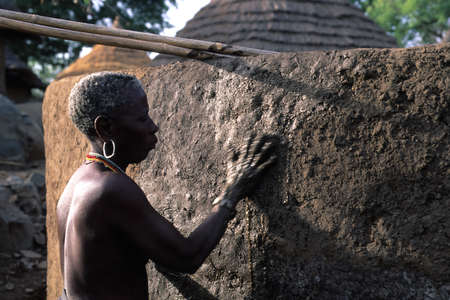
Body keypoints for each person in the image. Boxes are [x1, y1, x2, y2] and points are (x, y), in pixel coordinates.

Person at [57, 71, 278, 300]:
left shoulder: (76, 184)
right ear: (105, 128)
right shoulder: (111, 189)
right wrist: (233, 191)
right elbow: (187, 257)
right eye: (142, 118)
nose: (154, 127)